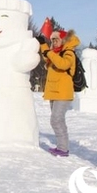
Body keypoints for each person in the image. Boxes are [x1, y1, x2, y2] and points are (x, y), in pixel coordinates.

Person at [37, 29, 80, 157]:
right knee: (57, 120)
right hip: (55, 92)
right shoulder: (56, 52)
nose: (54, 42)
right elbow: (48, 57)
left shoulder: (68, 53)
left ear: (63, 40)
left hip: (63, 93)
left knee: (56, 120)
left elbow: (63, 64)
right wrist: (42, 44)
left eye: (56, 39)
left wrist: (48, 51)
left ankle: (63, 148)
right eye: (52, 40)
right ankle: (61, 147)